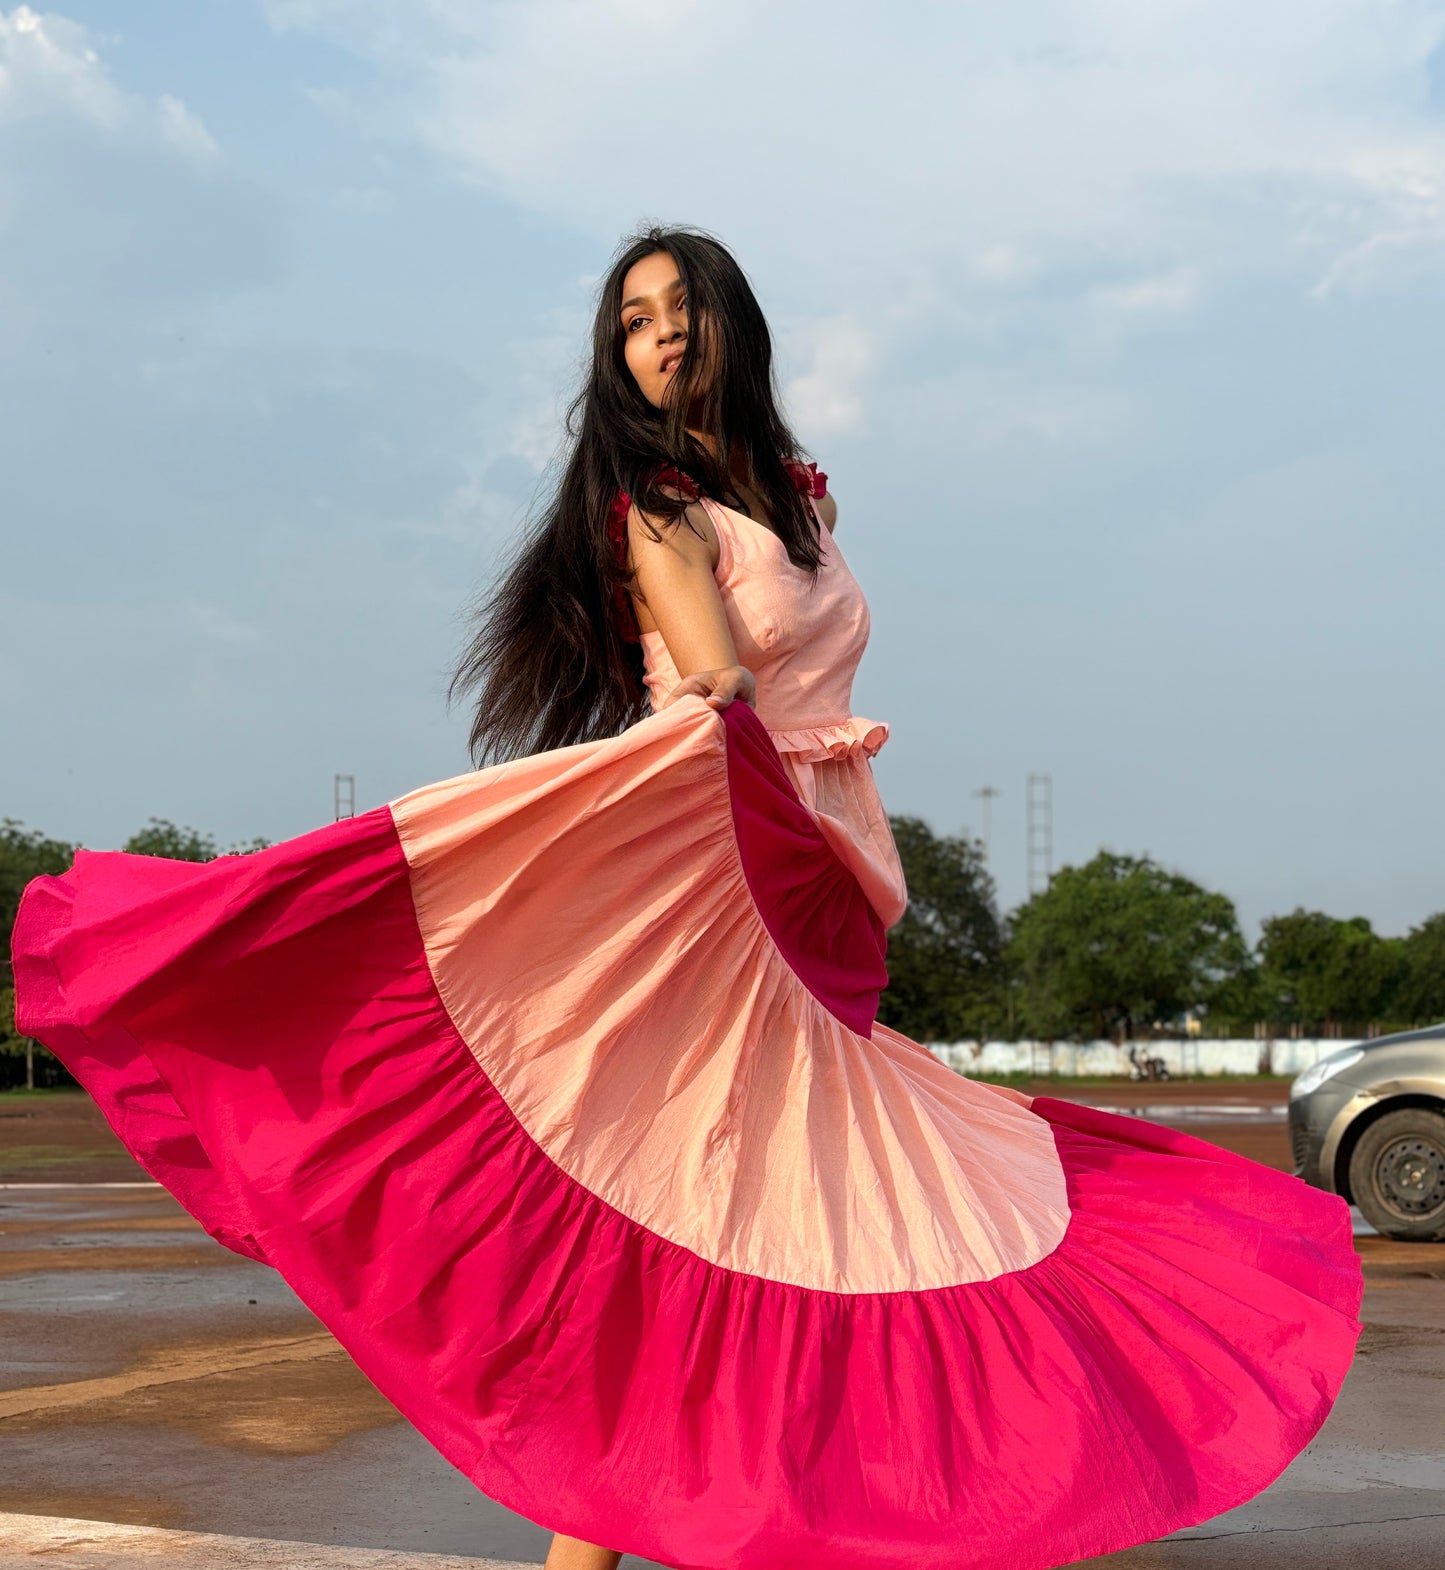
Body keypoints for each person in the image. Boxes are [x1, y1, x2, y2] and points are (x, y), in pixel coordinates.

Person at [12, 224, 1362, 1570]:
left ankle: (856, 1498)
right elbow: (715, 680)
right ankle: (920, 1498)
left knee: (765, 1189)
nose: (656, 333)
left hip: (821, 863)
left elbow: (807, 670)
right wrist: (732, 752)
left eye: (678, 308)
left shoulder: (802, 498)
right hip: (720, 853)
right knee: (737, 1184)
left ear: (729, 323)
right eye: (631, 320)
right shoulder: (657, 503)